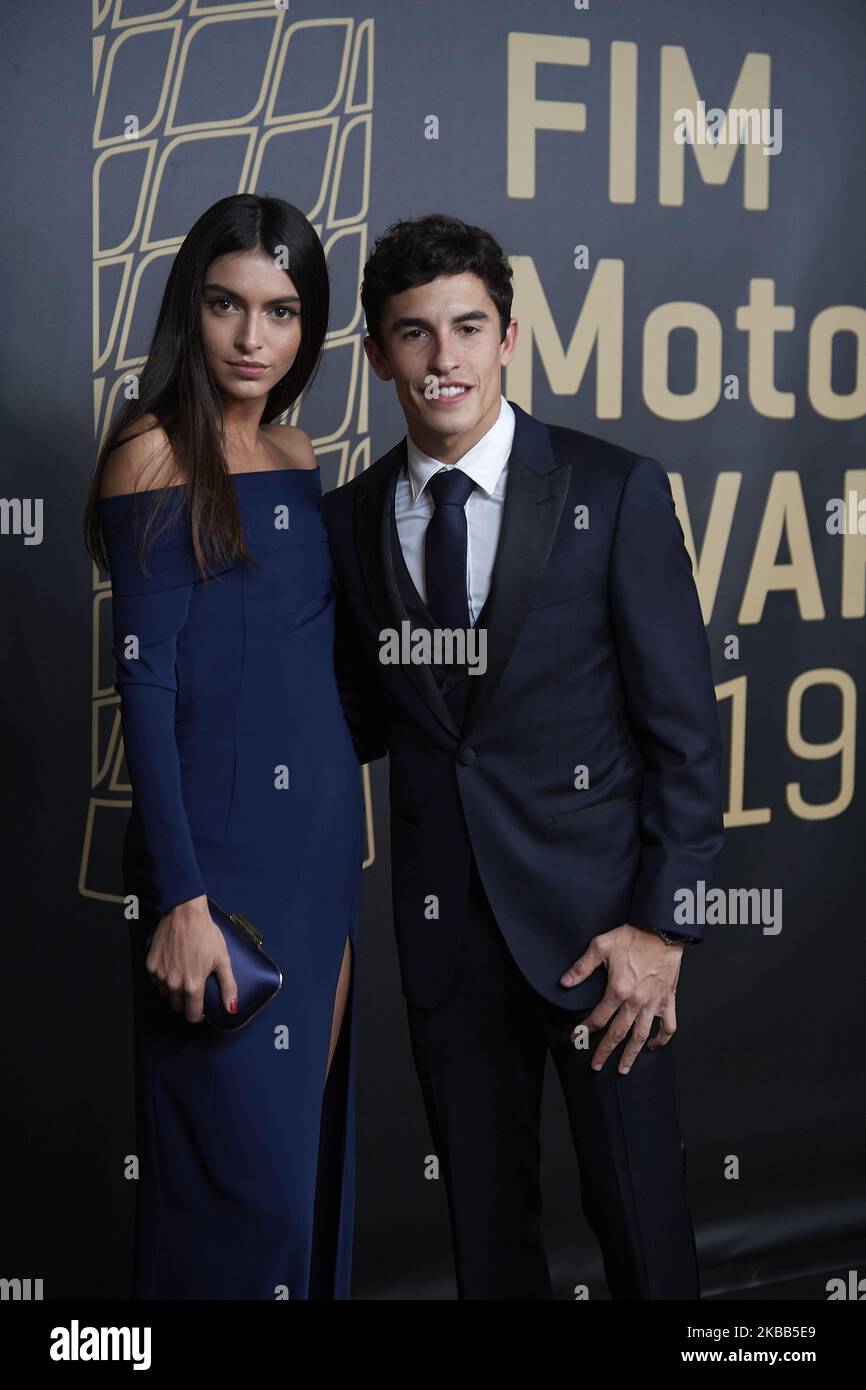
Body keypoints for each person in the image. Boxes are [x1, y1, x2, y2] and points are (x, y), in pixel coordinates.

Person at [320, 212, 725, 1300]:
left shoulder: (611, 489)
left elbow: (684, 733)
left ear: (507, 335)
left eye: (465, 327)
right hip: (447, 935)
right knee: (485, 1237)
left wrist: (660, 927)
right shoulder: (347, 521)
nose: (441, 359)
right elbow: (357, 720)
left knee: (640, 1221)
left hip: (605, 941)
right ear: (377, 355)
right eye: (413, 333)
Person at [83, 193, 364, 1300]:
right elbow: (142, 690)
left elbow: (303, 666)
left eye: (283, 311)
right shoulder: (150, 451)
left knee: (302, 1174)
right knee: (235, 1197)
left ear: (309, 326)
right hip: (214, 866)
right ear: (188, 311)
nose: (254, 338)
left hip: (319, 857)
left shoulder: (297, 449)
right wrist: (183, 901)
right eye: (227, 305)